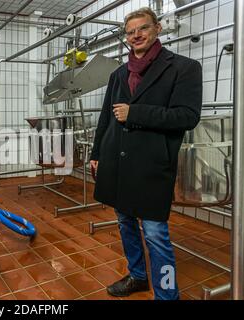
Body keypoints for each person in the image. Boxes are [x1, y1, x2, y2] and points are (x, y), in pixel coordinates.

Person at [90, 7, 202, 300]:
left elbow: (187, 117)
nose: (136, 35)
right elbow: (106, 117)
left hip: (152, 163)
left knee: (154, 233)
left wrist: (135, 113)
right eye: (130, 32)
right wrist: (96, 152)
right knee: (125, 222)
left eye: (142, 29)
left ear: (157, 29)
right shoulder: (119, 74)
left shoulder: (183, 68)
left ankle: (167, 294)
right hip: (117, 160)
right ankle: (138, 275)